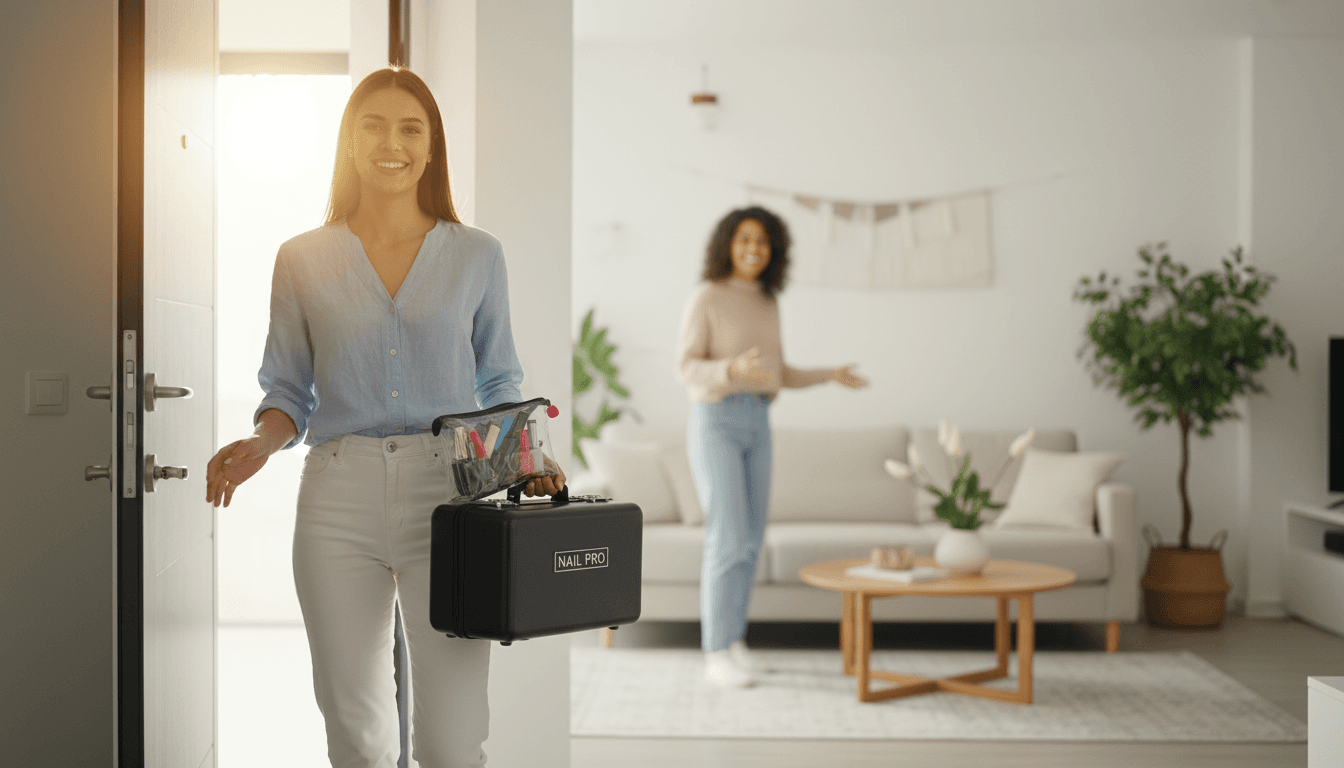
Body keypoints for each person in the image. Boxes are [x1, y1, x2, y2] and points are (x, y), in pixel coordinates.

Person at [204, 67, 564, 768]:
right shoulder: (301, 258)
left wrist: (530, 459)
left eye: (410, 128)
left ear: (432, 149)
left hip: (453, 496)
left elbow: (498, 379)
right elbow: (287, 388)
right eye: (372, 125)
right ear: (347, 143)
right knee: (357, 735)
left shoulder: (477, 256)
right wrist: (259, 441)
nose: (391, 142)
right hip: (339, 494)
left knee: (453, 742)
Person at [676, 206, 868, 688]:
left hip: (759, 422)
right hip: (716, 421)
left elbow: (778, 373)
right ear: (728, 244)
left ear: (773, 251)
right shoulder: (708, 297)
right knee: (727, 537)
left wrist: (829, 375)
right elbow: (685, 367)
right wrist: (729, 371)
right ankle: (715, 650)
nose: (753, 249)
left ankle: (734, 641)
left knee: (750, 541)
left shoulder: (767, 302)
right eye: (744, 239)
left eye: (762, 242)